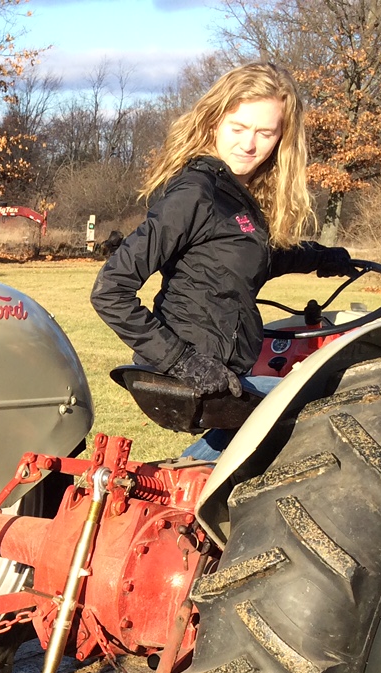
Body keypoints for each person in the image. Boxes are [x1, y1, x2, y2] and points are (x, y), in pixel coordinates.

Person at [90, 62, 356, 460]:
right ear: (214, 122)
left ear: (282, 139)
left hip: (226, 370)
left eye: (264, 133)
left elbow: (249, 257)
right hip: (189, 371)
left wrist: (320, 258)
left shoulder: (236, 197)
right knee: (323, 406)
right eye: (237, 128)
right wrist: (184, 361)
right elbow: (110, 290)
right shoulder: (195, 192)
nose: (248, 145)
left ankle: (187, 484)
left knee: (249, 445)